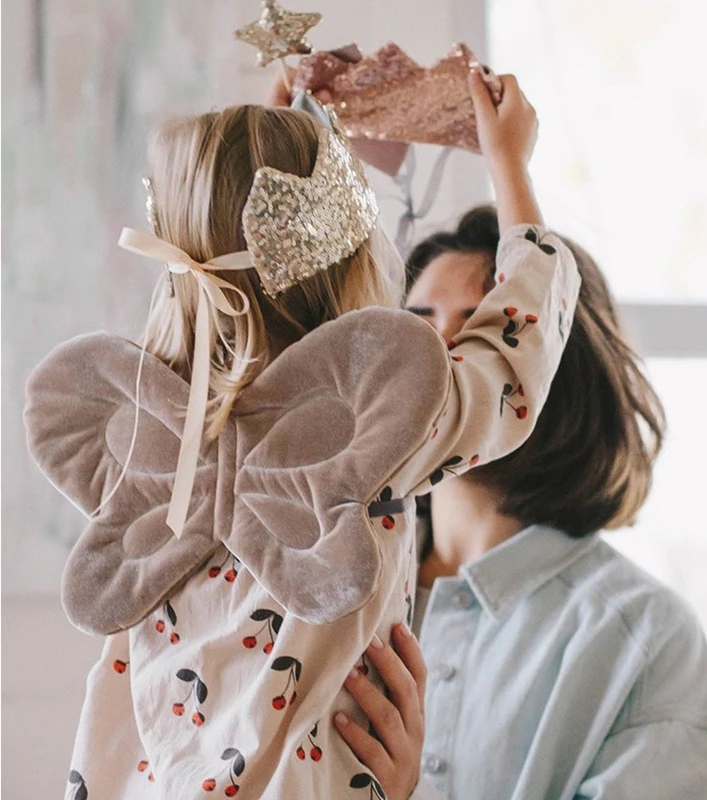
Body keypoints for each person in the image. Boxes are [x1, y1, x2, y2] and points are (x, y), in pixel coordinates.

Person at [25, 72, 579, 799]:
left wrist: (275, 155)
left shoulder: (151, 430)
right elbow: (512, 357)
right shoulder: (377, 428)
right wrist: (508, 166)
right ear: (353, 265)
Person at [343, 207, 707, 795]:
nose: (439, 358)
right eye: (416, 324)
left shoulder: (646, 642)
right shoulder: (329, 595)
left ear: (555, 369)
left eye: (480, 331)